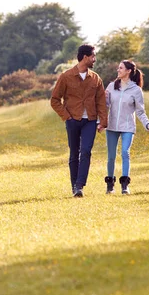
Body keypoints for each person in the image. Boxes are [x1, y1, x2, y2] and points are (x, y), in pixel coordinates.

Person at [51, 44, 108, 198]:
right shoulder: (66, 76)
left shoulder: (96, 78)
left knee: (86, 151)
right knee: (74, 153)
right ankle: (74, 186)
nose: (95, 59)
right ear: (85, 57)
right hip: (72, 121)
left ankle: (79, 186)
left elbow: (101, 101)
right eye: (93, 56)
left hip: (90, 120)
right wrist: (66, 116)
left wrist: (103, 120)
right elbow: (55, 100)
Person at [104, 60, 149, 194]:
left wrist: (147, 124)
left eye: (121, 68)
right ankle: (110, 185)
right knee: (111, 156)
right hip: (112, 126)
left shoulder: (136, 90)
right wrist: (100, 121)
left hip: (127, 127)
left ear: (128, 71)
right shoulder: (111, 86)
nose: (118, 70)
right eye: (118, 68)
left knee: (125, 152)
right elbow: (105, 106)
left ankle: (125, 185)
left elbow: (140, 111)